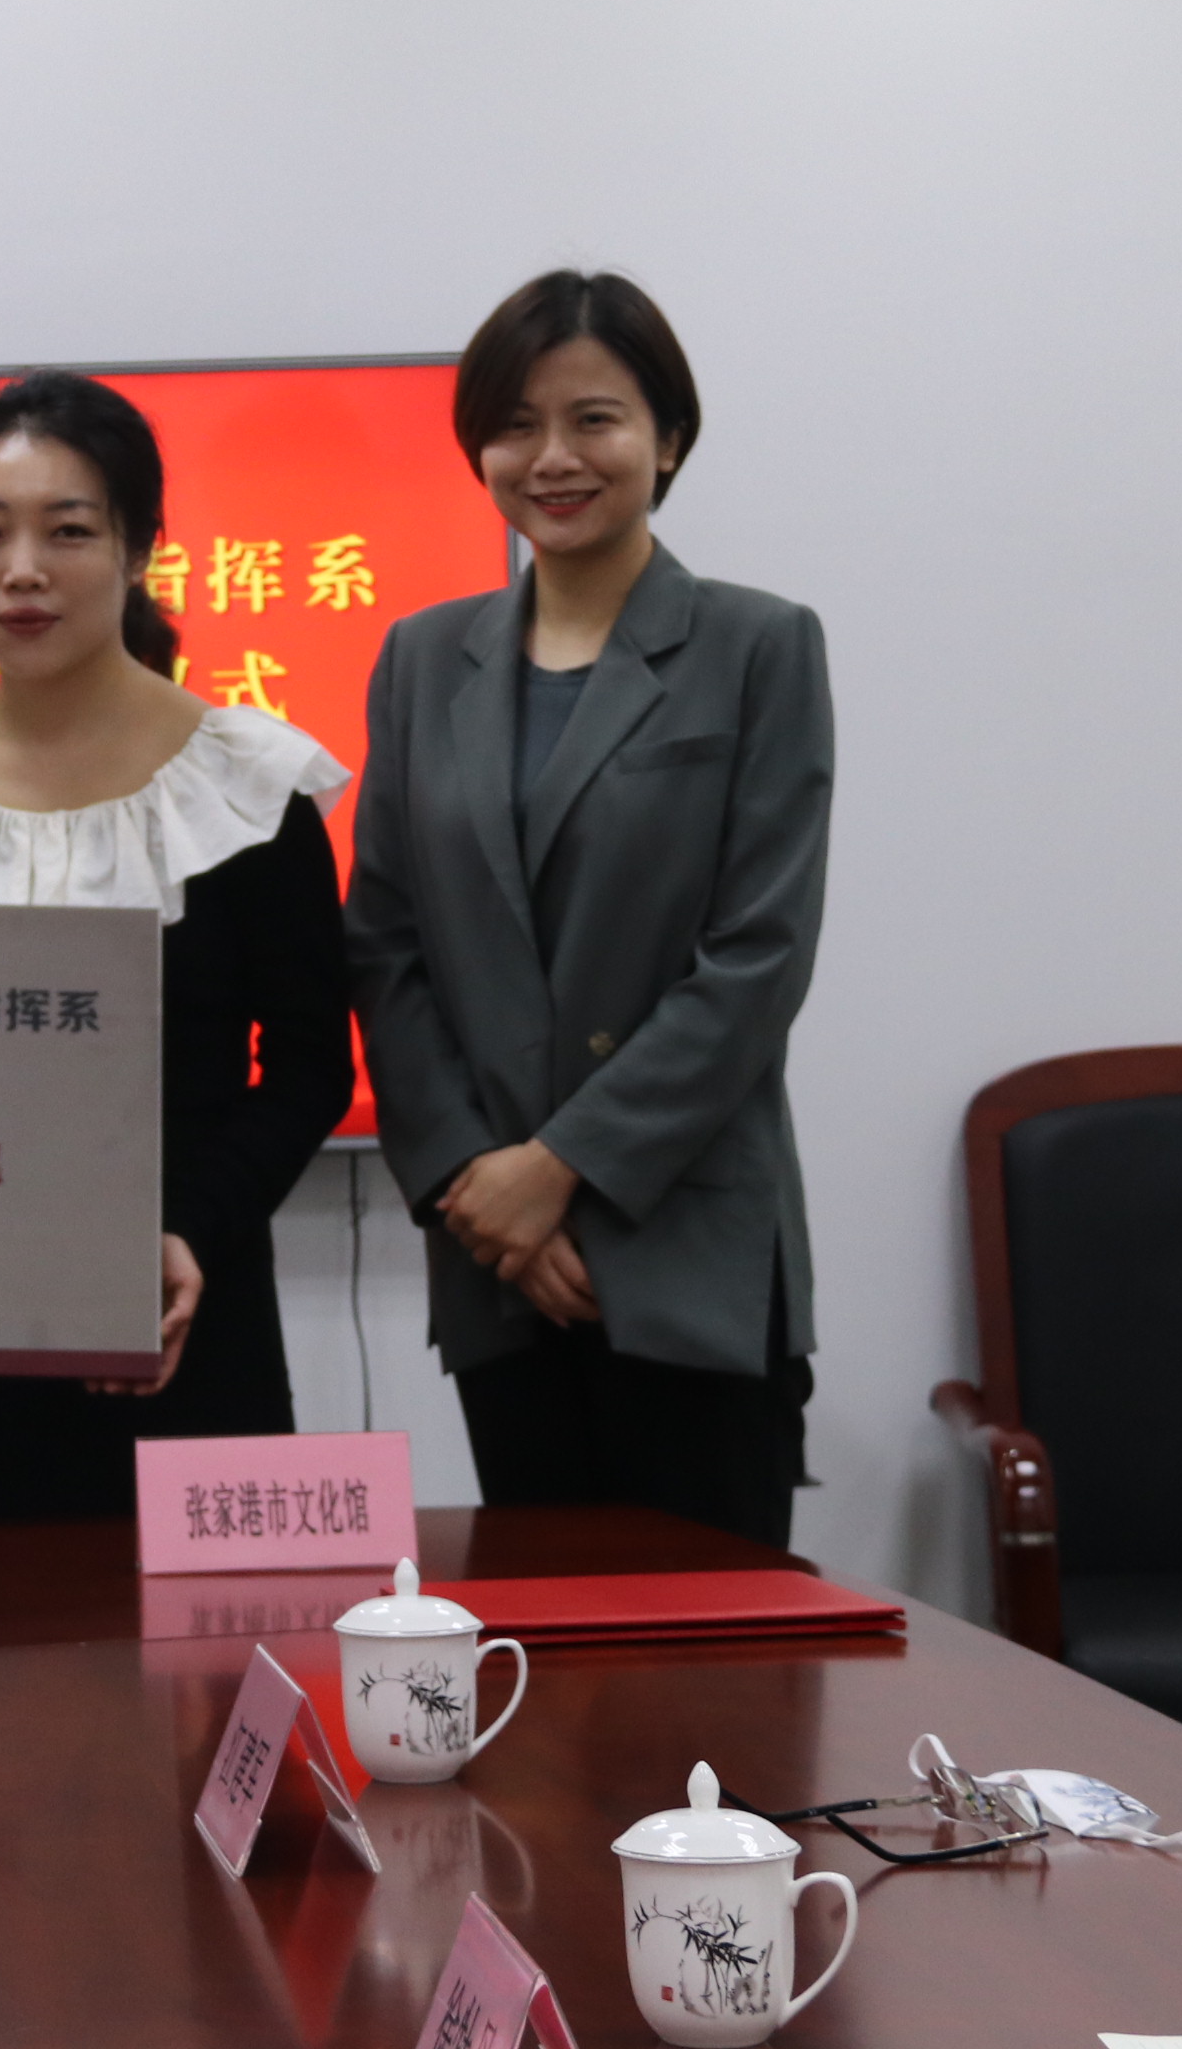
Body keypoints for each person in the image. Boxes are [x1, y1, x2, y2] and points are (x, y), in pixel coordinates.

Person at [343, 271, 834, 1548]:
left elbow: (757, 958)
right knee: (540, 1640)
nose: (552, 457)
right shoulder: (422, 658)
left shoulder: (759, 646)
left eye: (595, 419)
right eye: (515, 425)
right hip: (497, 1265)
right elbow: (385, 942)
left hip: (685, 1248)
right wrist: (477, 1185)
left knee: (719, 1652)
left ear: (668, 437)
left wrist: (559, 1172)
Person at [0, 370, 354, 1522]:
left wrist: (186, 1231)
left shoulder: (249, 787)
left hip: (194, 1311)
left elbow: (311, 1068)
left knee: (210, 1638)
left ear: (138, 548)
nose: (21, 569)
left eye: (68, 530)